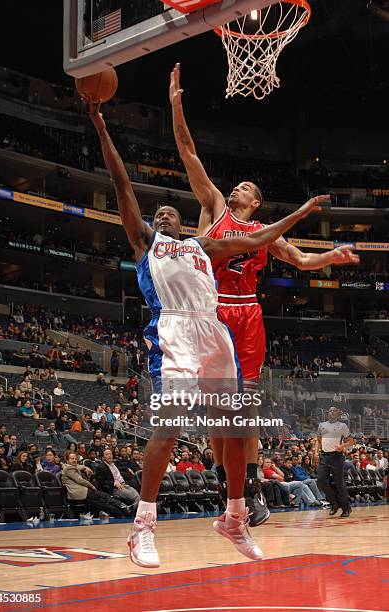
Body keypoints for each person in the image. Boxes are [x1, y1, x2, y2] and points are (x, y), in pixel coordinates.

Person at [88, 99, 327, 569]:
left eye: (169, 213)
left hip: (215, 329)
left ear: (185, 223)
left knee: (235, 427)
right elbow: (119, 183)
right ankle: (142, 527)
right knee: (169, 426)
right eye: (157, 215)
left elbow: (258, 240)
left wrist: (298, 214)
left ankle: (234, 516)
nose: (162, 216)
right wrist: (99, 122)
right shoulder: (145, 243)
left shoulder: (203, 244)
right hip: (175, 329)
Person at [170, 62, 360, 527]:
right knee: (218, 415)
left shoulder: (262, 232)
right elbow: (189, 153)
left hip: (247, 317)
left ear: (255, 203)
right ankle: (227, 490)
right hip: (210, 316)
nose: (237, 188)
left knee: (246, 410)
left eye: (247, 188)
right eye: (238, 185)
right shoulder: (214, 207)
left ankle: (252, 492)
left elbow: (301, 261)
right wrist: (176, 106)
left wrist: (331, 258)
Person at [315, 406, 355, 517]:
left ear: (338, 414)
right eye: (330, 411)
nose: (332, 412)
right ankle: (334, 503)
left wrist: (342, 446)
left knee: (339, 483)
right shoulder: (321, 425)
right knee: (320, 481)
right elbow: (318, 440)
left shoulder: (342, 426)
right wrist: (315, 453)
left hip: (337, 457)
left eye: (334, 411)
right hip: (324, 456)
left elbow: (351, 441)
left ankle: (346, 509)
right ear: (328, 413)